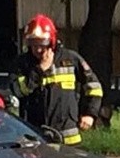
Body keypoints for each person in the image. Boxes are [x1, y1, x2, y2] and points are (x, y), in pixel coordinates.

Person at [12, 14, 103, 145]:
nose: (37, 49)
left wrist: (90, 113)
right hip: (35, 137)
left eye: (42, 44)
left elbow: (94, 86)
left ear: (51, 41)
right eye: (33, 44)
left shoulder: (70, 59)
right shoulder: (22, 64)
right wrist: (40, 71)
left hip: (68, 137)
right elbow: (18, 91)